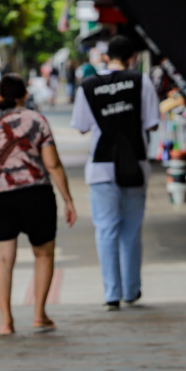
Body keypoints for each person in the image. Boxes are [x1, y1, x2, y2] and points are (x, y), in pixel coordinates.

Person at [0, 74, 77, 335]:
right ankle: (39, 314)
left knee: (2, 260)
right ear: (24, 95)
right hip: (35, 193)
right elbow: (52, 163)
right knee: (44, 254)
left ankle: (6, 321)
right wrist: (68, 199)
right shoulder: (37, 120)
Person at [70, 35, 160, 311]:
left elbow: (81, 126)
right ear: (132, 57)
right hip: (135, 163)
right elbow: (153, 124)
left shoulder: (88, 85)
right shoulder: (140, 80)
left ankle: (112, 294)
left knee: (106, 230)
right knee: (131, 230)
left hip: (100, 166)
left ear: (106, 57)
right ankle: (131, 290)